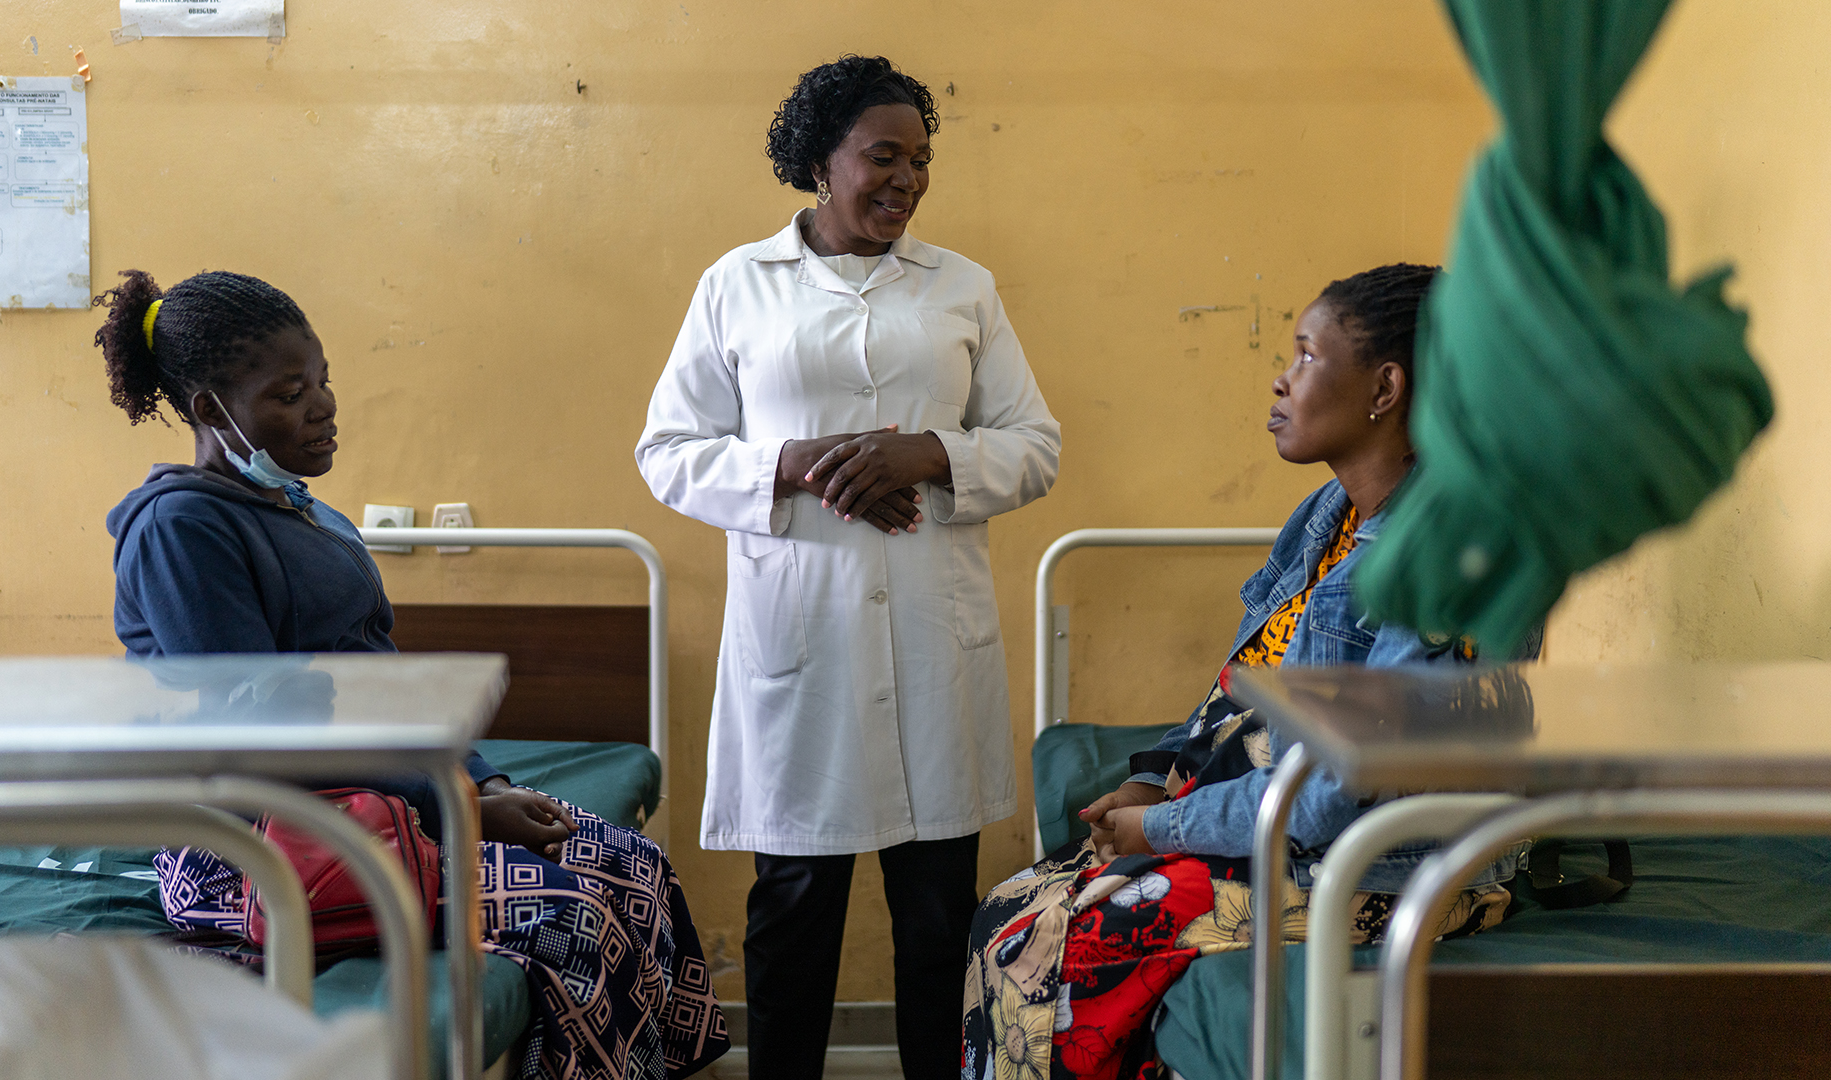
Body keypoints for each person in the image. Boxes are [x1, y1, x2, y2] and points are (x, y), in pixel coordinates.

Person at [93, 268, 729, 1080]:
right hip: (254, 844)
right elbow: (258, 738)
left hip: (382, 803)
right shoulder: (182, 530)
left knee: (634, 863)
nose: (322, 407)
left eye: (322, 382)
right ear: (211, 409)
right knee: (574, 918)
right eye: (289, 394)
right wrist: (456, 808)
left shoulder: (303, 510)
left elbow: (387, 685)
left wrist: (483, 784)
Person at [962, 264, 1539, 1080]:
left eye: (1305, 356)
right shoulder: (1328, 515)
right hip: (1291, 832)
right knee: (1008, 907)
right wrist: (1159, 780)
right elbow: (1239, 689)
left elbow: (1343, 790)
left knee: (1058, 945)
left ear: (1385, 388)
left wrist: (1160, 832)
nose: (1281, 378)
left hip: (1393, 864)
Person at [635, 55, 1061, 1080]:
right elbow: (669, 451)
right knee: (794, 908)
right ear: (819, 162)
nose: (906, 178)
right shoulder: (736, 284)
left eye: (920, 159)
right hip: (802, 634)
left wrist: (928, 456)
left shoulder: (964, 286)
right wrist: (796, 465)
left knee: (933, 915)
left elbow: (1035, 444)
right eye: (883, 155)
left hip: (929, 629)